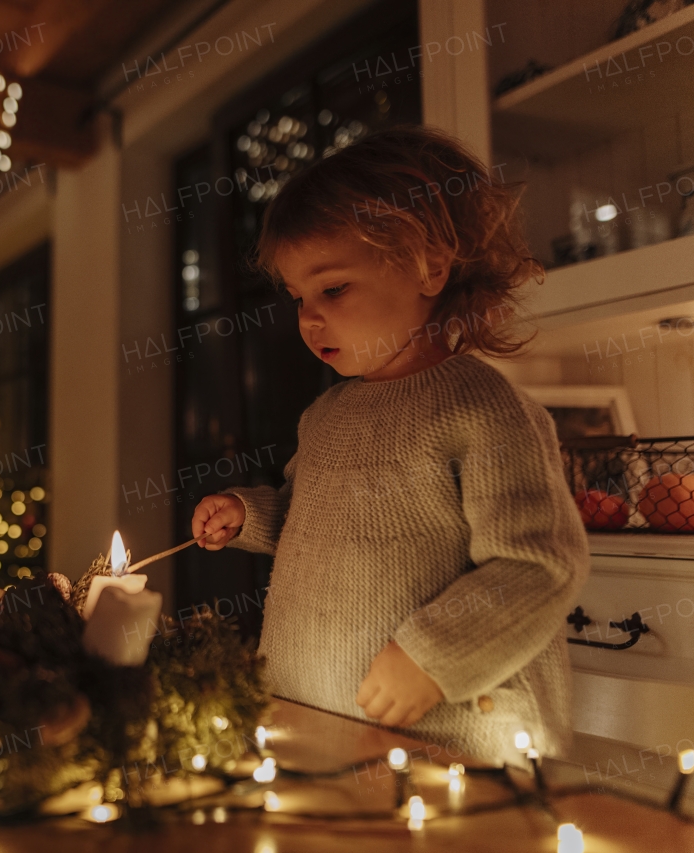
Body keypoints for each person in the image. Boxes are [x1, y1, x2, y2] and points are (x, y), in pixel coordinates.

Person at [191, 126, 589, 765]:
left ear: (429, 266)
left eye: (333, 289)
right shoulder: (324, 415)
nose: (309, 318)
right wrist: (250, 515)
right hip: (312, 728)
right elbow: (310, 512)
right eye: (298, 298)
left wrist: (434, 656)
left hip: (449, 748)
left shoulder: (482, 409)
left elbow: (539, 565)